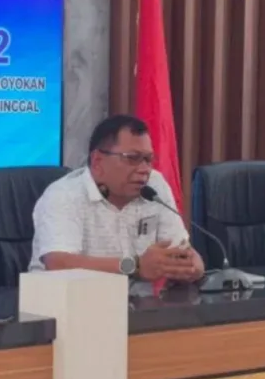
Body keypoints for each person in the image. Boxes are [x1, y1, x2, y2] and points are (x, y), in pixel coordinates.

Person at [28, 114, 205, 284]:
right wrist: (135, 266)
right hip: (66, 302)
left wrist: (191, 266)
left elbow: (184, 252)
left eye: (148, 159)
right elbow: (58, 264)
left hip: (138, 302)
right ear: (97, 162)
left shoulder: (155, 186)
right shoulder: (64, 195)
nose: (144, 169)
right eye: (133, 158)